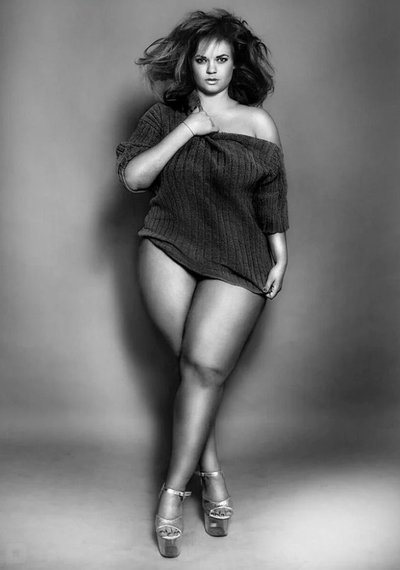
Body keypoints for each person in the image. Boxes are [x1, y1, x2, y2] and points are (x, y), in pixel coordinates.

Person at [115, 8, 289, 558]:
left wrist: (279, 252)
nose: (211, 69)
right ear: (188, 65)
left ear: (236, 65)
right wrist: (189, 129)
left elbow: (271, 195)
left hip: (238, 254)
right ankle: (191, 489)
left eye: (222, 59)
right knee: (195, 371)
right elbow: (134, 178)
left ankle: (186, 485)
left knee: (204, 369)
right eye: (202, 59)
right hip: (169, 245)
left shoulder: (258, 123)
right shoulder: (164, 116)